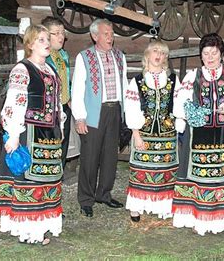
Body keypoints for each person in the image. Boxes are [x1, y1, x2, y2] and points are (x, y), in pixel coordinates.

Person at [0, 25, 65, 245]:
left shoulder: (49, 70)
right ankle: (28, 231)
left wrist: (59, 124)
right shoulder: (22, 70)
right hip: (29, 132)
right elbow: (15, 102)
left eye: (47, 39)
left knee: (46, 179)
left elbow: (56, 102)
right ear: (30, 44)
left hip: (49, 133)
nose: (46, 43)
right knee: (28, 178)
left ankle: (42, 225)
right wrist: (13, 133)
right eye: (41, 40)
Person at [172, 33, 224, 238]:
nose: (210, 57)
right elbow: (179, 104)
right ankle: (200, 218)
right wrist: (193, 112)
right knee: (201, 178)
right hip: (200, 135)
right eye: (206, 53)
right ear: (201, 55)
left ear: (221, 54)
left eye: (214, 52)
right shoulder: (192, 76)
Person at [71, 19, 128, 217]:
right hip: (94, 113)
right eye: (105, 33)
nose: (110, 37)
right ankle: (86, 199)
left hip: (115, 110)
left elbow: (125, 85)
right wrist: (80, 117)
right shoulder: (84, 57)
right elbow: (77, 88)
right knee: (90, 157)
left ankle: (104, 194)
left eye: (111, 33)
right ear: (95, 36)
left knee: (110, 156)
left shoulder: (120, 56)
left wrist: (126, 114)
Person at [124, 40, 181, 222]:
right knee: (142, 171)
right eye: (155, 51)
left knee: (165, 172)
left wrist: (178, 124)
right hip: (144, 134)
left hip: (167, 134)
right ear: (147, 55)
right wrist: (136, 135)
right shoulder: (137, 81)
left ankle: (162, 206)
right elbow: (131, 108)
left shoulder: (173, 79)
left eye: (163, 53)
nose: (159, 55)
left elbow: (179, 105)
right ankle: (137, 206)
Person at [42, 16, 71, 169]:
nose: (61, 37)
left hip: (64, 105)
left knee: (63, 141)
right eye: (57, 33)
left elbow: (66, 79)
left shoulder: (63, 55)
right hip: (50, 108)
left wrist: (69, 97)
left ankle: (59, 173)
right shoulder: (43, 58)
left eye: (63, 33)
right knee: (50, 143)